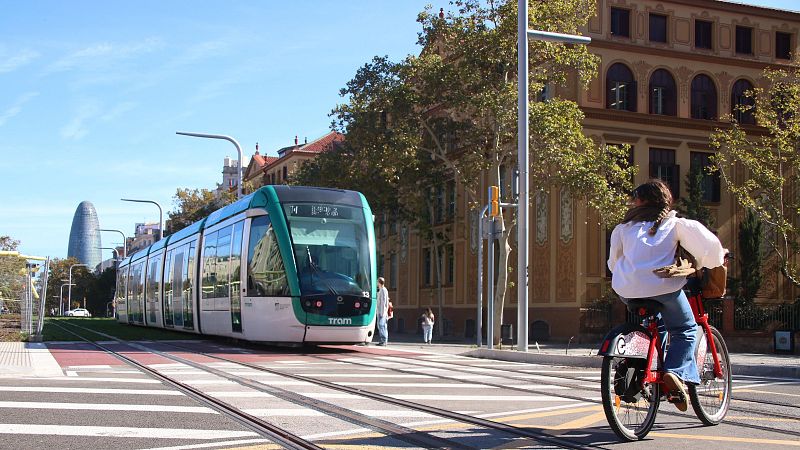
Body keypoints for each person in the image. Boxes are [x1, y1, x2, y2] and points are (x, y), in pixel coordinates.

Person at [607, 179, 725, 412]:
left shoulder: (623, 229)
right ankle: (674, 373)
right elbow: (709, 248)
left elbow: (612, 264)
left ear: (639, 202)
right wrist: (719, 258)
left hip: (627, 291)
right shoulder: (676, 225)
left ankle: (649, 366)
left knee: (656, 326)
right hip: (665, 289)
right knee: (685, 329)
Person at [376, 277, 389, 346]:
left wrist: (382, 312)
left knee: (382, 325)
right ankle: (383, 340)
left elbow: (384, 302)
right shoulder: (380, 290)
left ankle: (384, 340)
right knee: (381, 326)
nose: (377, 283)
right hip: (379, 311)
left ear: (379, 282)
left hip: (382, 312)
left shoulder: (384, 290)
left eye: (377, 282)